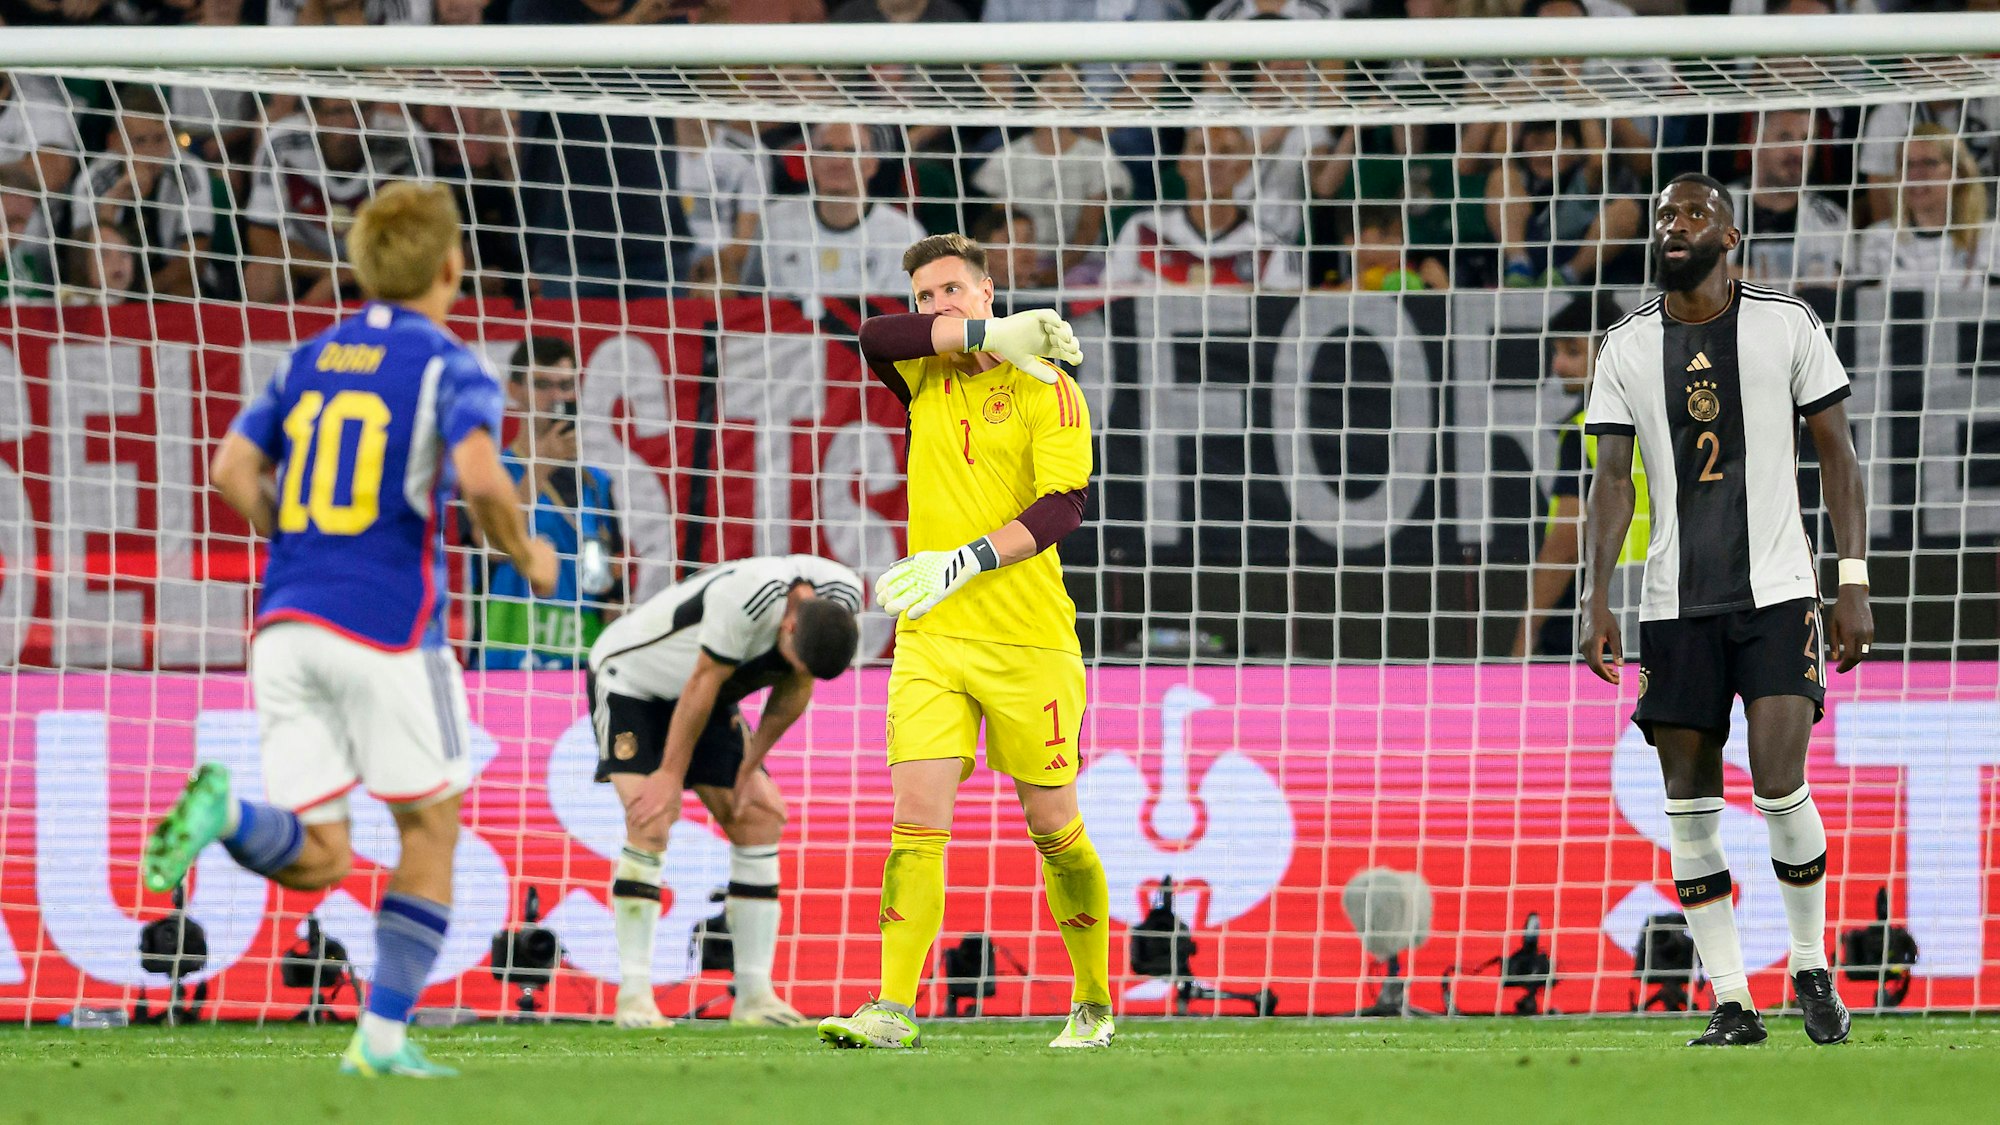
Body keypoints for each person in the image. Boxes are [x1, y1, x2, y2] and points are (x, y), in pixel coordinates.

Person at [143, 181, 558, 1077]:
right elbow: (483, 478)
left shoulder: (307, 358)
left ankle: (224, 813)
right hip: (385, 630)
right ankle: (380, 1042)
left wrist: (296, 536)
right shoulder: (452, 363)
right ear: (452, 266)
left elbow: (230, 468)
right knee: (430, 830)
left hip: (285, 625)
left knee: (322, 853)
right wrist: (527, 556)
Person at [1580, 172, 1873, 1048]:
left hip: (1781, 594)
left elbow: (1839, 453)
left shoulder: (1787, 323)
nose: (1675, 224)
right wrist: (1597, 594)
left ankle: (1811, 963)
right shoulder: (1625, 345)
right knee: (1690, 806)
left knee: (1780, 783)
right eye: (1666, 213)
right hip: (1675, 607)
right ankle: (1733, 998)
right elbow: (1608, 482)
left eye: (1696, 212)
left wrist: (1850, 576)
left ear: (1732, 235)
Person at [818, 233, 1108, 1051]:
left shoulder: (1051, 389)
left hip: (1028, 640)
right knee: (916, 817)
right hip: (933, 638)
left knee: (1054, 825)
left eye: (952, 289)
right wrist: (988, 335)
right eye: (925, 297)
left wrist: (967, 559)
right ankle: (891, 1006)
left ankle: (1092, 998)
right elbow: (875, 337)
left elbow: (1064, 507)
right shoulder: (922, 371)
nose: (936, 306)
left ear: (988, 290)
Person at [591, 554, 862, 1029]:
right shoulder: (748, 598)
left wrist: (750, 765)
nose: (793, 669)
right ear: (790, 622)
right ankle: (634, 995)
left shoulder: (840, 596)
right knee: (650, 819)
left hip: (708, 695)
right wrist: (669, 777)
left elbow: (798, 684)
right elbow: (701, 681)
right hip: (633, 683)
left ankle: (755, 996)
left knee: (758, 815)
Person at [469, 336, 626, 671]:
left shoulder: (597, 484)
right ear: (514, 390)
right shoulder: (489, 471)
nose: (557, 397)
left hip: (579, 664)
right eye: (542, 385)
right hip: (504, 664)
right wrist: (540, 466)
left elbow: (608, 588)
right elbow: (493, 547)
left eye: (566, 386)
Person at [1513, 293, 1646, 659]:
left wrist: (1527, 629)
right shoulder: (1656, 422)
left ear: (1606, 351)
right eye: (1556, 351)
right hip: (1661, 608)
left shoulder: (1584, 431)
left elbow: (1566, 542)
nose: (1558, 365)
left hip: (1592, 613)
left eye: (1572, 351)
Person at [64, 84, 217, 299]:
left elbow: (193, 260)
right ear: (115, 142)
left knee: (184, 291)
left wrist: (138, 295)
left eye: (159, 139)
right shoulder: (92, 182)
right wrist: (113, 202)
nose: (152, 153)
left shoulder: (190, 173)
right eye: (140, 142)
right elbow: (84, 264)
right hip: (110, 287)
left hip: (169, 286)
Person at [1850, 125, 1999, 292]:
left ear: (1959, 173)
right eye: (1907, 164)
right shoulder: (1879, 239)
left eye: (1929, 163)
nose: (1915, 175)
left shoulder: (1992, 238)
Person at [1726, 108, 1849, 290]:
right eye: (1785, 138)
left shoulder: (1831, 220)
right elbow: (1698, 276)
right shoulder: (1716, 206)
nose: (1798, 151)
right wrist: (1789, 282)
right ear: (1755, 140)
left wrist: (1743, 276)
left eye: (1806, 139)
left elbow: (1837, 287)